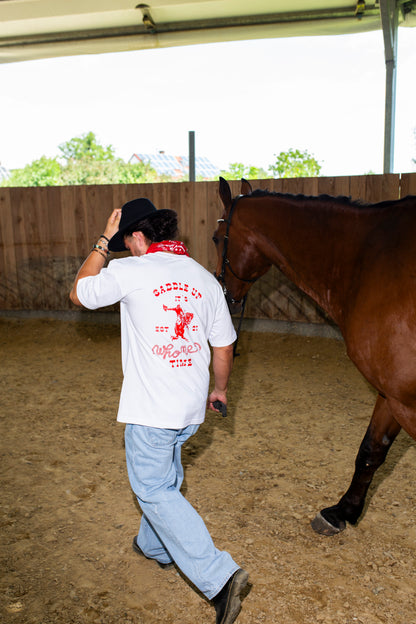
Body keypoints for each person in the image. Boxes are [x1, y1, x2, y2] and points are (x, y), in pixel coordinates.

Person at [69, 198, 249, 624]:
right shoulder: (204, 278)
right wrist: (219, 390)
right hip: (190, 409)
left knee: (153, 488)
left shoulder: (129, 271)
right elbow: (223, 345)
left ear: (135, 237)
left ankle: (220, 578)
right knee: (165, 475)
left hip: (152, 409)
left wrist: (100, 242)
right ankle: (154, 546)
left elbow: (78, 294)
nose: (123, 249)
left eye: (123, 242)